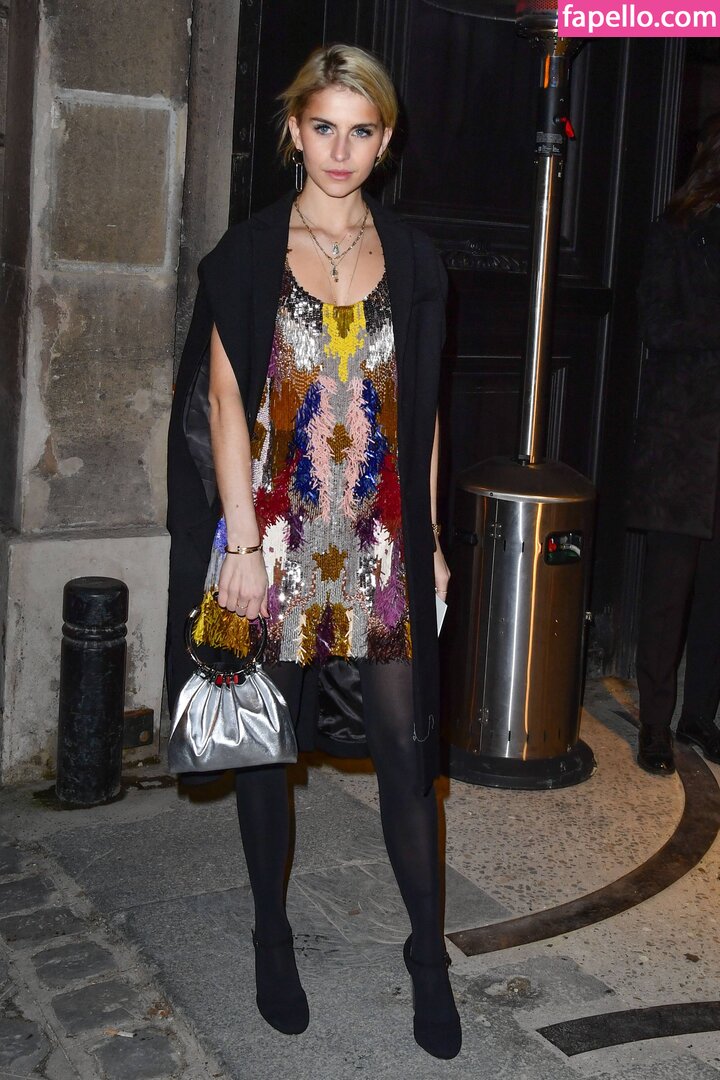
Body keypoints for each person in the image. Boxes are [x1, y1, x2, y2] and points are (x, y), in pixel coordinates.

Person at [166, 44, 461, 1059]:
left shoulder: (414, 260)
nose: (341, 150)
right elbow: (223, 403)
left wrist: (431, 544)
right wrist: (241, 547)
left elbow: (425, 414)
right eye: (324, 127)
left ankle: (428, 953)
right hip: (277, 536)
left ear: (385, 140)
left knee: (408, 750)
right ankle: (271, 935)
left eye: (361, 130)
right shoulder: (248, 253)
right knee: (266, 744)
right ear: (294, 130)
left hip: (378, 541)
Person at [628, 112, 720, 776]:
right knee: (669, 591)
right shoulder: (675, 231)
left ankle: (700, 717)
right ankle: (655, 724)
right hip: (683, 437)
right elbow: (657, 326)